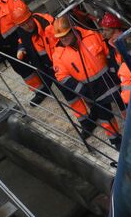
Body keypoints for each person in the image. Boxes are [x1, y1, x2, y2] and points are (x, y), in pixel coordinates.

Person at [47, 16, 121, 146]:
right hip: (92, 92)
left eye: (65, 35)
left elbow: (108, 52)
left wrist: (115, 72)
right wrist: (83, 91)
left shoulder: (91, 36)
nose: (63, 39)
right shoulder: (58, 55)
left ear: (73, 30)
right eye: (60, 37)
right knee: (106, 118)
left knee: (127, 108)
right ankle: (117, 141)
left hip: (111, 81)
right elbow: (62, 77)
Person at [99, 13, 131, 108]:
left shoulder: (125, 41)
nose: (103, 33)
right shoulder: (114, 45)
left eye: (106, 30)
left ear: (115, 29)